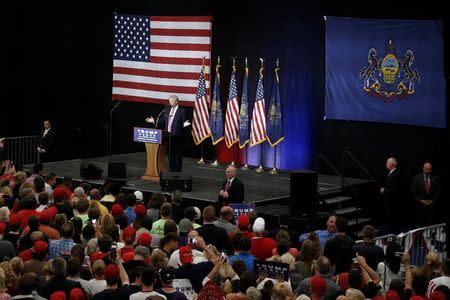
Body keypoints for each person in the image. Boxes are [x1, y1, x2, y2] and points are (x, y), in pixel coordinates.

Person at [146, 95, 190, 172]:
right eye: (169, 101)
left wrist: (185, 124)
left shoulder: (182, 110)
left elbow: (184, 122)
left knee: (177, 155)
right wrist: (154, 121)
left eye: (172, 101)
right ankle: (171, 171)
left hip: (177, 136)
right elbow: (163, 120)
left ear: (177, 101)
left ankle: (177, 172)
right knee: (170, 154)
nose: (170, 103)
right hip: (168, 135)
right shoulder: (167, 109)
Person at [411, 162, 440, 226]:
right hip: (420, 208)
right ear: (423, 168)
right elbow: (413, 192)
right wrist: (421, 200)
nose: (428, 171)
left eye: (430, 169)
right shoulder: (416, 178)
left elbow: (437, 193)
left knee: (430, 226)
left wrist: (432, 201)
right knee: (420, 226)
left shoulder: (435, 178)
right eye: (427, 169)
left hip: (431, 208)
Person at [380, 157, 401, 234]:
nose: (386, 164)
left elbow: (394, 190)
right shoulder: (391, 173)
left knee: (393, 223)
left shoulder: (395, 174)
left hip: (393, 205)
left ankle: (395, 237)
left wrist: (384, 190)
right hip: (390, 204)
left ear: (392, 164)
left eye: (387, 162)